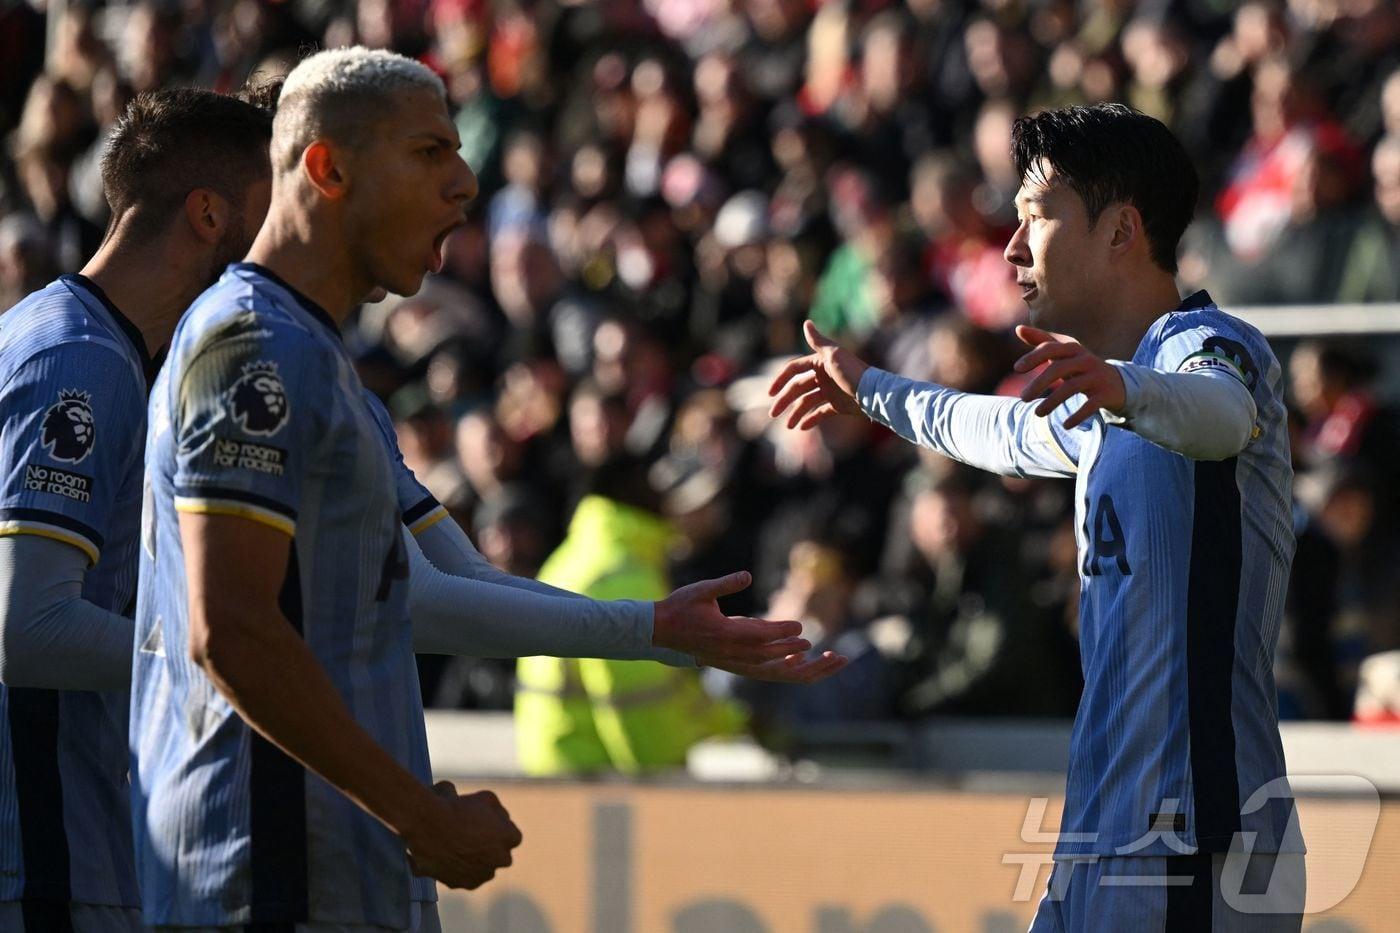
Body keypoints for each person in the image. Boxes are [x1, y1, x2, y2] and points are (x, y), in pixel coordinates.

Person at [130, 47, 844, 933]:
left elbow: (439, 591)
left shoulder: (324, 368)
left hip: (335, 874)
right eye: (430, 152)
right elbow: (228, 627)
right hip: (266, 875)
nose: (465, 184)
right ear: (328, 165)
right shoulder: (250, 352)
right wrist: (420, 814)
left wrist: (657, 630)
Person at [768, 103, 1306, 930]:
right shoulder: (1104, 396)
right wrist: (872, 390)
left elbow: (1222, 412)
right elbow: (995, 428)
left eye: (1035, 219)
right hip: (1104, 837)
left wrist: (1125, 390)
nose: (1012, 248)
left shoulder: (1208, 345)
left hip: (1201, 841)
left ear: (1122, 229)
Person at [0, 87, 274, 933]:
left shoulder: (67, 338)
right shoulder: (78, 362)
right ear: (208, 215)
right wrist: (228, 662)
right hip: (47, 865)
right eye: (272, 216)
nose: (280, 249)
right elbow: (27, 626)